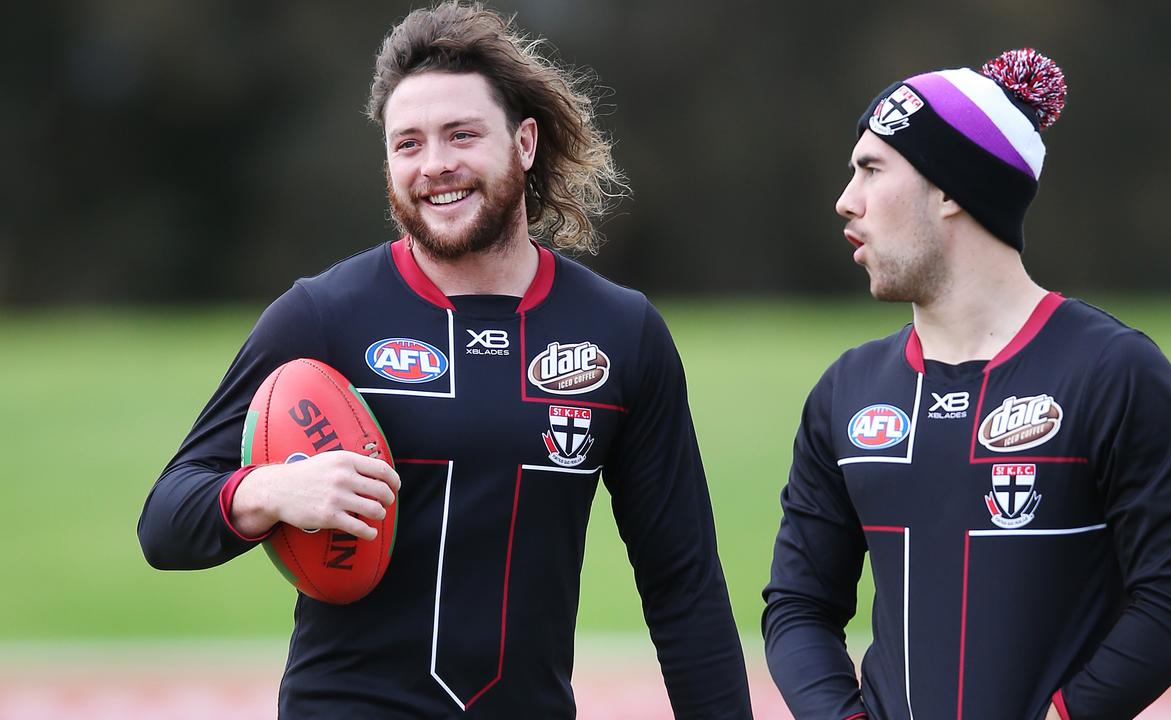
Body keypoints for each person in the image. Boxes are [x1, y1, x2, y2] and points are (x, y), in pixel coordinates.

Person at [137, 3, 752, 717]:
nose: (436, 166)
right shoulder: (322, 316)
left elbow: (685, 587)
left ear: (524, 142)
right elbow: (165, 521)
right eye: (408, 144)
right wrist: (275, 490)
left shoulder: (622, 333)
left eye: (462, 135)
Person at [761, 49, 1171, 720]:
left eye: (870, 169)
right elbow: (799, 607)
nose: (846, 200)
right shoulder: (847, 392)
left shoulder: (1115, 373)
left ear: (951, 189)